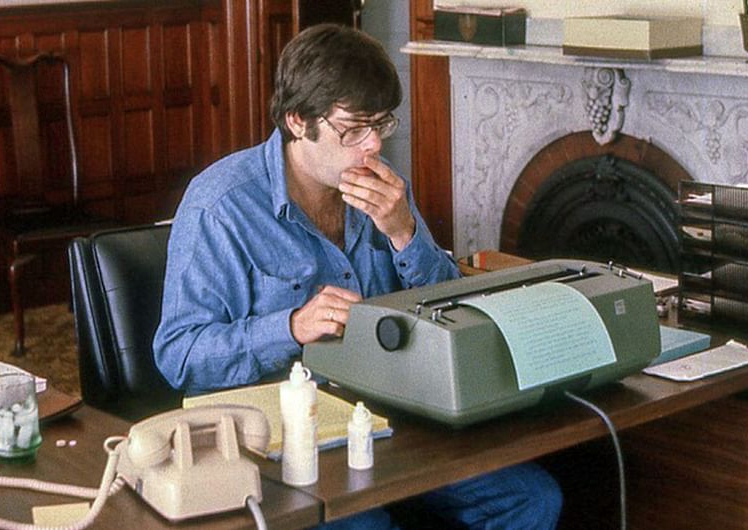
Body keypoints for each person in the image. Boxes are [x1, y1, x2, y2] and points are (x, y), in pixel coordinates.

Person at [153, 23, 561, 529]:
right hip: (289, 439)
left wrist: (404, 233)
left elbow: (451, 307)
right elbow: (180, 356)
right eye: (353, 129)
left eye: (382, 124)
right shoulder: (220, 206)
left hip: (393, 415)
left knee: (532, 498)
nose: (373, 145)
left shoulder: (385, 188)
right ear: (297, 120)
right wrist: (291, 327)